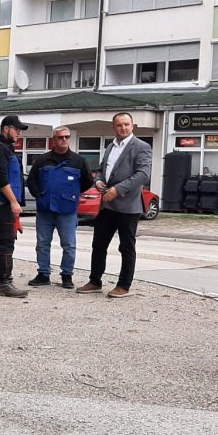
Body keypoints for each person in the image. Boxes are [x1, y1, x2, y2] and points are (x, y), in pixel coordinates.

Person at [76, 112, 152, 298]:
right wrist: (99, 181)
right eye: (119, 125)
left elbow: (143, 174)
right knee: (99, 244)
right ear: (114, 127)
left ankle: (124, 285)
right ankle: (95, 281)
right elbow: (102, 170)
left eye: (126, 124)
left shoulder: (141, 147)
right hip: (107, 205)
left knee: (126, 247)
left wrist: (117, 190)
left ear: (133, 126)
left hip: (128, 206)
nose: (123, 128)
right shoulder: (110, 146)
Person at [26, 126, 92, 289]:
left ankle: (67, 275)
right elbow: (31, 180)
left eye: (66, 137)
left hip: (67, 210)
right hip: (45, 209)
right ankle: (43, 273)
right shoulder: (42, 160)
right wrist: (39, 195)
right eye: (60, 137)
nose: (64, 140)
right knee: (42, 243)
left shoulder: (79, 161)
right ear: (54, 140)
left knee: (69, 245)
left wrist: (73, 194)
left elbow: (87, 181)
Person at [0, 116, 29, 298]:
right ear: (6, 129)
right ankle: (5, 281)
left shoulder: (2, 148)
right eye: (17, 130)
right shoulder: (0, 148)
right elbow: (2, 178)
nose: (19, 133)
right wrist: (13, 201)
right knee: (6, 241)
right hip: (0, 203)